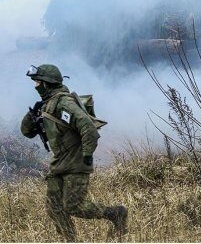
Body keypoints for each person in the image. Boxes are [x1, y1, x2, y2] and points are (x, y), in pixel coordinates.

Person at [21, 64, 128, 241]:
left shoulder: (64, 103)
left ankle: (116, 213)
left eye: (38, 82)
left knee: (74, 206)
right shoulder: (47, 104)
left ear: (47, 83)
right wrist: (32, 115)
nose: (35, 86)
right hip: (59, 164)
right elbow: (27, 132)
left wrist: (86, 155)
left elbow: (89, 130)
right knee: (54, 207)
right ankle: (71, 240)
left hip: (76, 163)